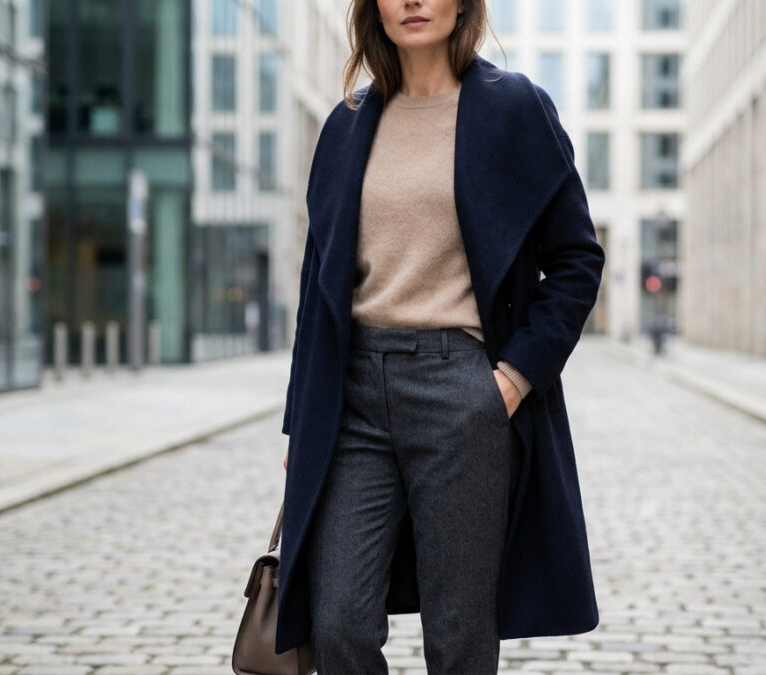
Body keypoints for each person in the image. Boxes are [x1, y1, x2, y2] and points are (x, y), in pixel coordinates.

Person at [276, 0, 607, 672]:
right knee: (337, 620)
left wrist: (510, 381)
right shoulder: (345, 125)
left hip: (462, 389)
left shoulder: (515, 108)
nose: (414, 1)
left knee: (458, 634)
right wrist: (298, 425)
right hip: (353, 398)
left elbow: (576, 258)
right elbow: (320, 287)